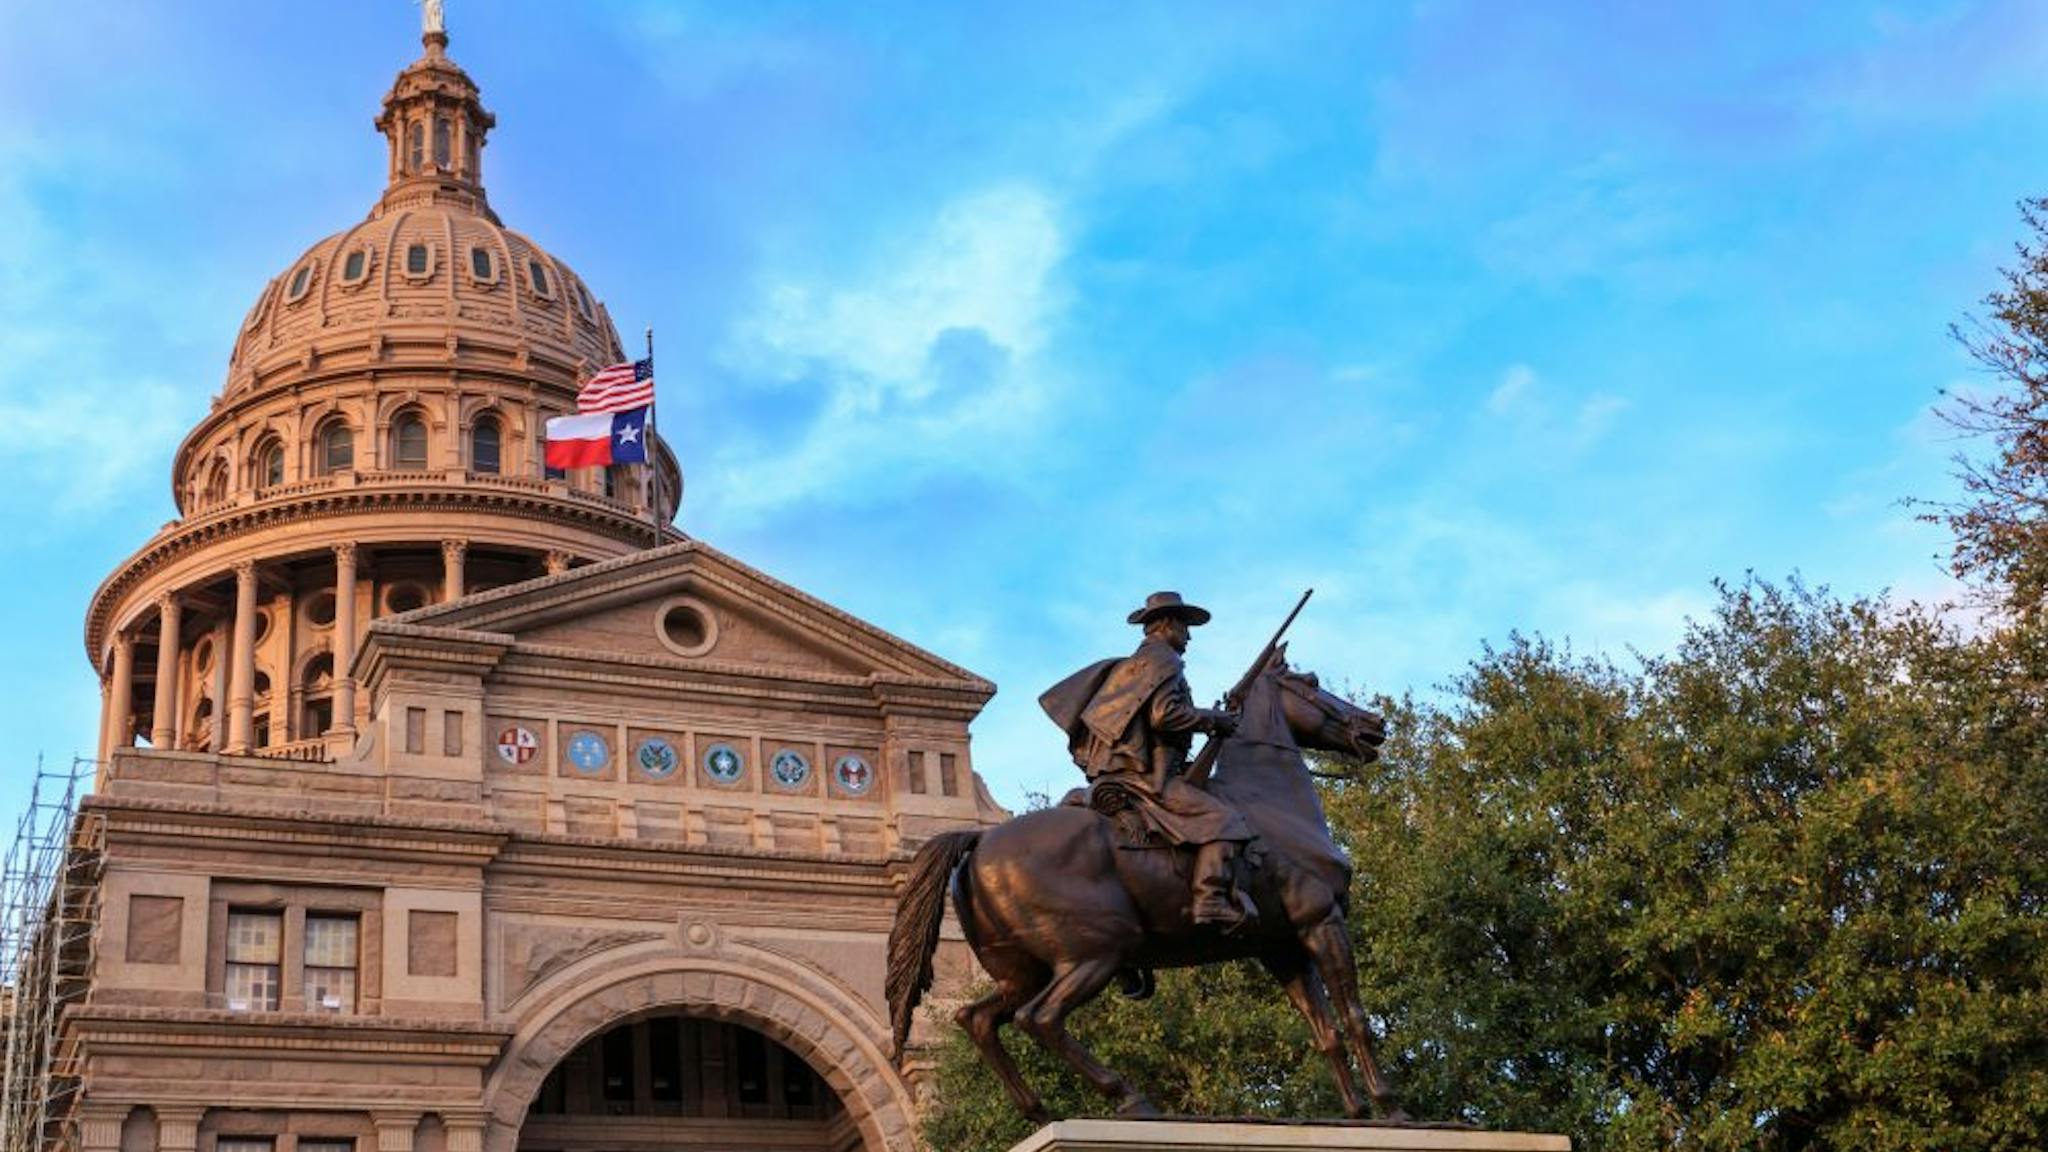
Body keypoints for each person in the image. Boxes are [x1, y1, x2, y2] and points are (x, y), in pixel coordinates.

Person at [1040, 592, 1259, 933]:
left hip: (1123, 770)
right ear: (1169, 624)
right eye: (1185, 627)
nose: (1189, 636)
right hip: (1147, 777)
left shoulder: (1134, 665)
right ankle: (1210, 898)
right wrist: (1213, 720)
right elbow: (1163, 716)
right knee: (1225, 821)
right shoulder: (1164, 661)